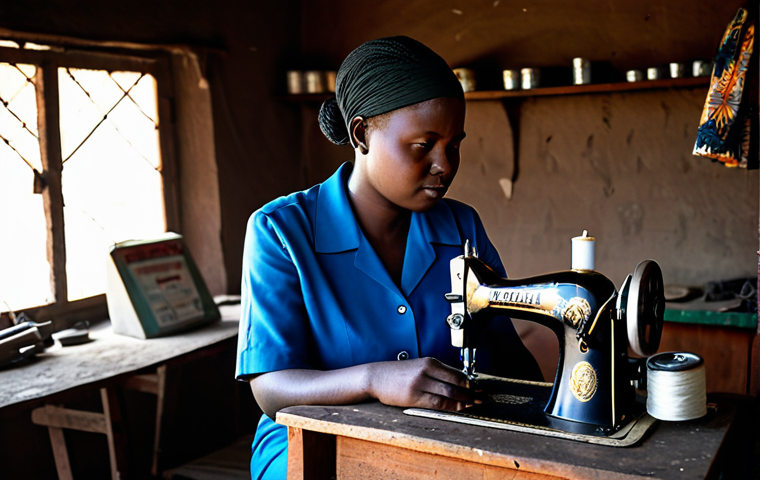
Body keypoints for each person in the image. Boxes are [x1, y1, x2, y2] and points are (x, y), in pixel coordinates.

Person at [235, 36, 541, 480]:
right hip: (313, 443)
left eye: (454, 145)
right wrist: (374, 379)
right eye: (424, 145)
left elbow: (505, 355)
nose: (445, 165)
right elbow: (271, 390)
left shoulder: (461, 228)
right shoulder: (281, 232)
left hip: (439, 435)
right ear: (361, 134)